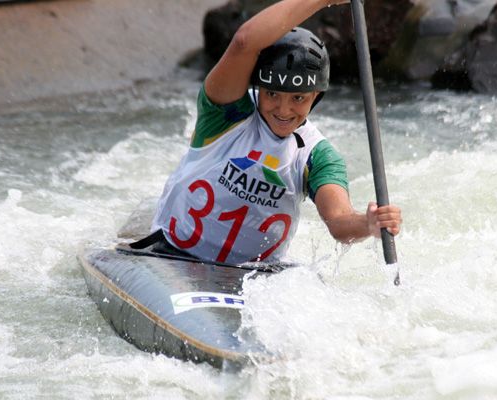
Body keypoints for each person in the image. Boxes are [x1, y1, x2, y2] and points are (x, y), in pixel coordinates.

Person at [137, 0, 402, 265]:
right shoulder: (226, 113)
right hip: (171, 252)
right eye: (272, 93)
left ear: (316, 96)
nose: (284, 110)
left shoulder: (317, 155)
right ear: (259, 87)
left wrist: (368, 224)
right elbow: (244, 41)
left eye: (298, 98)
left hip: (255, 276)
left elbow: (339, 222)